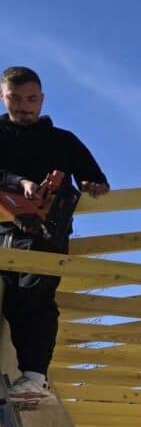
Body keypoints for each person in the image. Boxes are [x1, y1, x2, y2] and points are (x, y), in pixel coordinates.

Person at [0, 66, 110, 405]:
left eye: (31, 99)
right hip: (3, 227)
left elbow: (94, 178)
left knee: (35, 295)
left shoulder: (62, 141)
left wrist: (94, 185)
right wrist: (20, 183)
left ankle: (34, 376)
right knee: (12, 298)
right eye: (15, 98)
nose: (23, 106)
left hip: (44, 232)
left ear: (42, 99)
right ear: (4, 97)